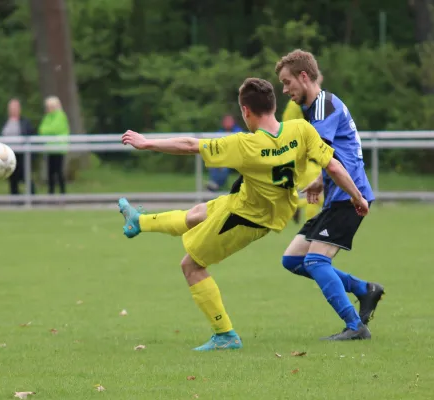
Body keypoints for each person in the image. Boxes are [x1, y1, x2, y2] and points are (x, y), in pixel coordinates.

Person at [118, 77, 370, 351]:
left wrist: (146, 143)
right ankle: (138, 222)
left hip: (248, 218)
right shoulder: (301, 130)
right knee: (197, 214)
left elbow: (191, 145)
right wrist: (358, 197)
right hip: (247, 202)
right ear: (273, 105)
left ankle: (225, 334)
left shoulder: (245, 145)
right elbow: (333, 166)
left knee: (190, 266)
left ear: (245, 111)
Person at [275, 49, 384, 340]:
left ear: (304, 76)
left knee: (315, 262)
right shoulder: (317, 108)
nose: (285, 90)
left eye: (287, 83)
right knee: (293, 260)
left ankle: (355, 326)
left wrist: (357, 197)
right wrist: (320, 183)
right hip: (339, 194)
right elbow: (337, 156)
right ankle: (364, 289)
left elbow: (326, 157)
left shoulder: (322, 105)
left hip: (349, 197)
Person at [282, 82, 324, 223]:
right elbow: (290, 131)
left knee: (314, 195)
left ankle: (296, 208)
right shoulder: (296, 105)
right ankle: (310, 229)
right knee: (314, 195)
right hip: (304, 157)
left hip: (311, 156)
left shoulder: (319, 102)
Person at [0, 98, 36, 195]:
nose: (13, 110)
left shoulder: (25, 122)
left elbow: (30, 135)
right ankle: (14, 198)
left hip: (22, 154)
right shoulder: (5, 122)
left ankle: (32, 197)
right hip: (9, 154)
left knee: (25, 176)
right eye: (11, 108)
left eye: (15, 108)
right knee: (12, 177)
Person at [38, 96, 70, 194]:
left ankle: (62, 193)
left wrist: (48, 131)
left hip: (59, 148)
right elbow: (41, 129)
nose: (48, 109)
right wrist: (48, 131)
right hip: (50, 149)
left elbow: (55, 128)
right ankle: (51, 193)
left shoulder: (61, 115)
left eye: (50, 106)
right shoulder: (47, 117)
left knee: (59, 172)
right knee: (50, 173)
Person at [206, 114, 243, 191]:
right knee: (212, 162)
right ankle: (214, 184)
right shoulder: (220, 132)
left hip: (236, 156)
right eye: (226, 121)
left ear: (233, 122)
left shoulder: (238, 131)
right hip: (222, 156)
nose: (228, 123)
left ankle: (215, 185)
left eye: (229, 121)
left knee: (223, 166)